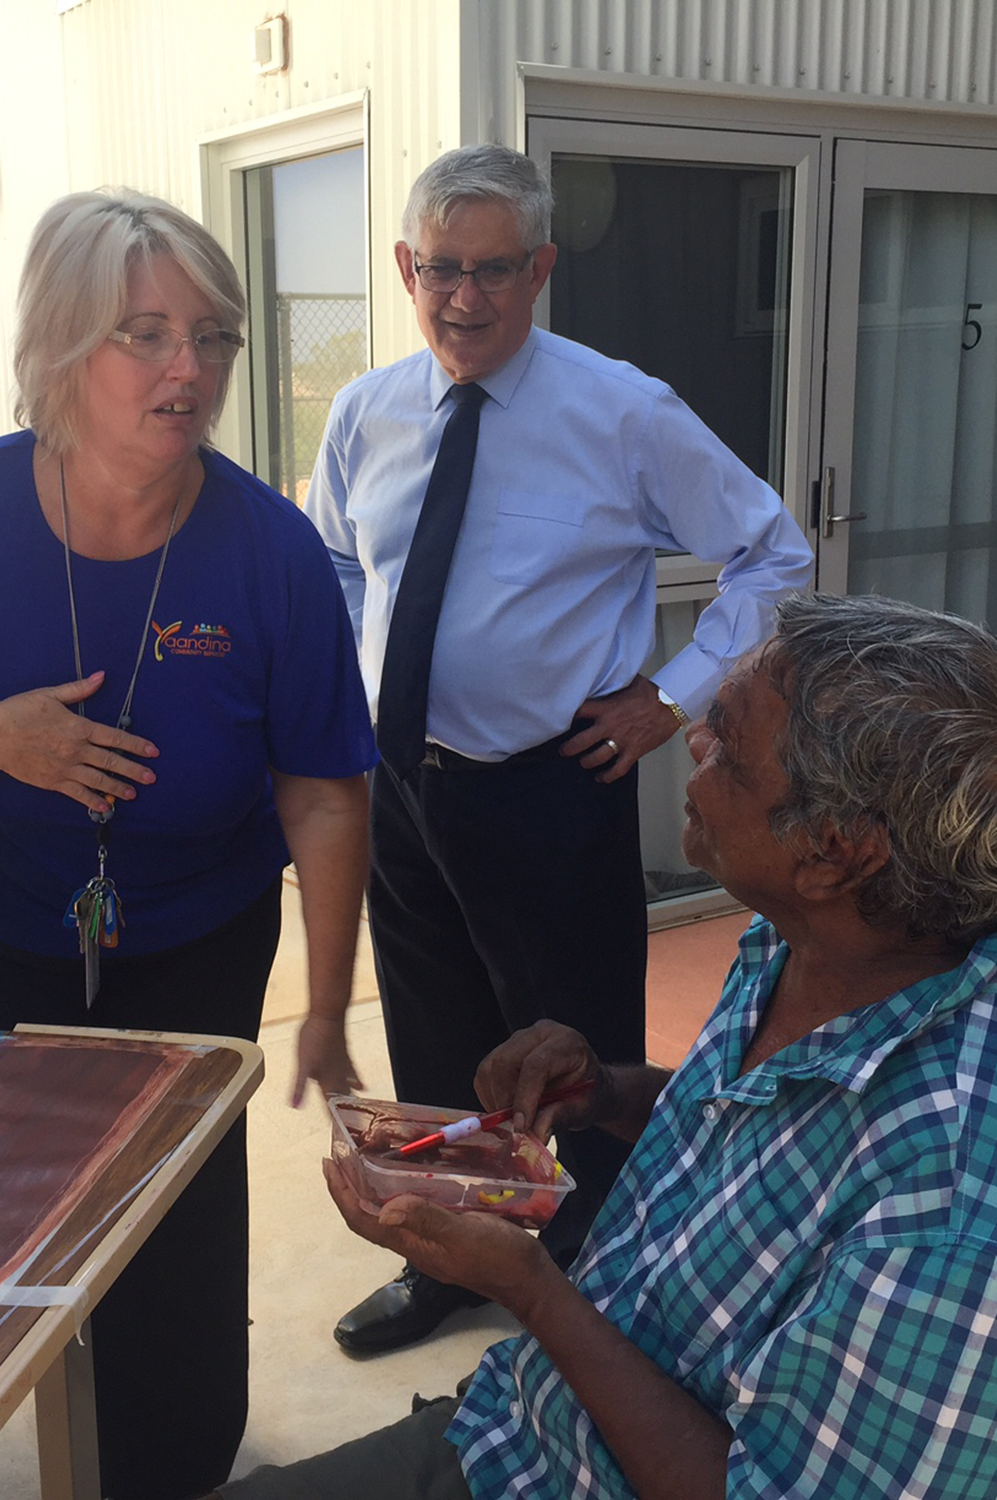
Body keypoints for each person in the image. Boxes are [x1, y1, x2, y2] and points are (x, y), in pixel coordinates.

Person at [216, 592, 997, 1500]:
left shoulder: (962, 1234)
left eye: (729, 749)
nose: (694, 742)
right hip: (533, 1424)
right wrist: (610, 1094)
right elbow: (780, 1150)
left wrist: (532, 1290)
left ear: (834, 850)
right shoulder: (841, 944)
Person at [0, 191, 376, 1500]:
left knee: (179, 1192)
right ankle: (74, 1422)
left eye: (212, 337)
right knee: (49, 1192)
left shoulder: (270, 550)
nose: (190, 370)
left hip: (201, 933)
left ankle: (178, 1454)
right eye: (147, 334)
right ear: (60, 344)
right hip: (0, 926)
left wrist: (327, 1009)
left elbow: (326, 792)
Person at [305, 143, 814, 1355]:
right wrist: (351, 696)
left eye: (493, 270)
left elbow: (772, 552)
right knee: (432, 1036)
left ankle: (598, 1288)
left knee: (573, 1057)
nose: (463, 297)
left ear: (538, 271)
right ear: (404, 268)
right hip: (402, 787)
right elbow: (330, 562)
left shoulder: (620, 410)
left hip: (548, 789)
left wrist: (672, 698)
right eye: (440, 269)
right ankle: (449, 1261)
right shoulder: (365, 412)